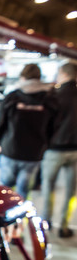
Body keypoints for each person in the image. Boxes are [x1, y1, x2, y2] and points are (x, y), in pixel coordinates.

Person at [0, 63, 56, 199]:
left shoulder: (12, 97)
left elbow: (0, 122)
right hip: (34, 153)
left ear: (22, 77)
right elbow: (53, 126)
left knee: (5, 189)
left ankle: (4, 218)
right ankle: (19, 218)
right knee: (23, 191)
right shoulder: (49, 99)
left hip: (10, 149)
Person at [41, 62, 77, 238]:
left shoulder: (54, 95)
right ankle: (63, 226)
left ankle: (45, 222)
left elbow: (45, 123)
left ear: (62, 73)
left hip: (54, 149)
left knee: (48, 187)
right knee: (71, 190)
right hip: (75, 151)